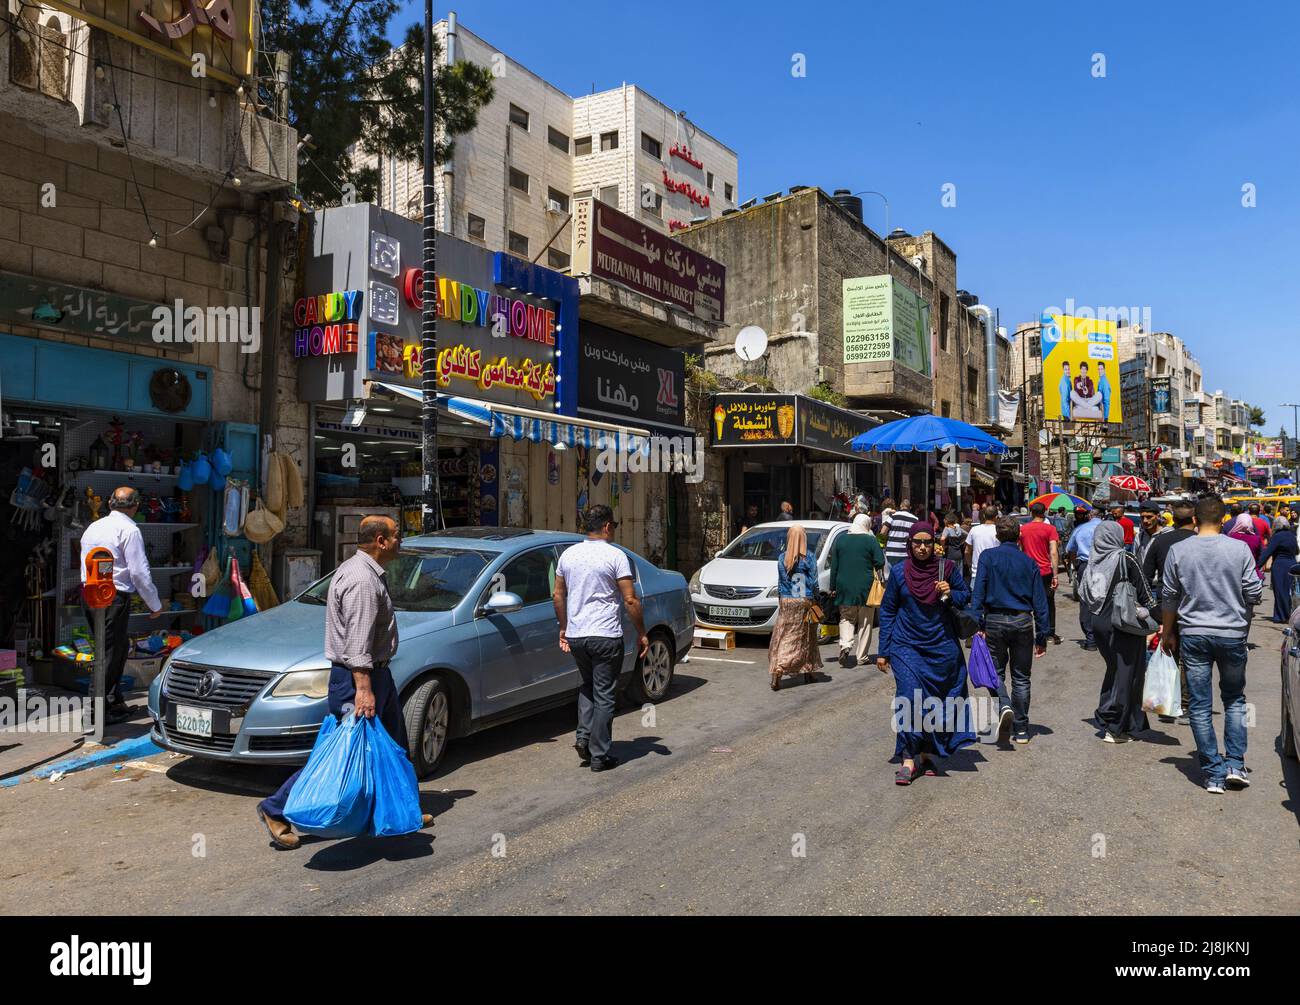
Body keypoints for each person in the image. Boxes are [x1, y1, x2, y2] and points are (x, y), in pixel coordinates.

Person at [257, 516, 433, 849]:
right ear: (381, 541)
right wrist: (363, 689)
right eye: (397, 536)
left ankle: (403, 811)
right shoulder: (362, 581)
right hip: (358, 679)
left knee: (394, 746)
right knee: (344, 749)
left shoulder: (364, 572)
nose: (401, 542)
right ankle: (275, 808)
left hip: (376, 675)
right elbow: (357, 642)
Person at [1161, 495, 1263, 793]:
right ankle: (1235, 764)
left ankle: (1213, 773)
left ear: (1194, 519)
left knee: (1200, 705)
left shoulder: (1179, 550)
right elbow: (1254, 592)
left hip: (1193, 635)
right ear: (1223, 521)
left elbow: (1169, 596)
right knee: (1234, 699)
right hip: (1232, 634)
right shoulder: (1240, 549)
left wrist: (1168, 632)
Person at [877, 524, 977, 783]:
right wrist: (883, 650)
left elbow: (966, 597)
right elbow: (887, 611)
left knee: (939, 702)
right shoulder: (899, 573)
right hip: (906, 646)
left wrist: (950, 592)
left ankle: (928, 753)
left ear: (935, 543)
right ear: (909, 544)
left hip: (942, 648)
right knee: (909, 698)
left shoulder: (948, 570)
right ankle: (908, 758)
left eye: (927, 542)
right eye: (917, 542)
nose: (922, 547)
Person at [554, 505, 648, 772]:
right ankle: (599, 755)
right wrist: (642, 633)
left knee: (588, 685)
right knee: (605, 693)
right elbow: (630, 599)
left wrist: (563, 627)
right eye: (614, 525)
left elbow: (558, 595)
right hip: (605, 635)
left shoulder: (568, 555)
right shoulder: (616, 556)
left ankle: (583, 738)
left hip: (577, 636)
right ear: (607, 526)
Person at [78, 487, 163, 724]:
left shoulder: (94, 527)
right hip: (111, 596)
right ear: (135, 506)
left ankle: (114, 700)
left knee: (117, 646)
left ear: (109, 503)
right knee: (109, 653)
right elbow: (139, 573)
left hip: (90, 593)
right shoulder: (129, 530)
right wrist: (154, 604)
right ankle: (96, 712)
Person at [969, 517, 1051, 743]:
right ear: (1019, 536)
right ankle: (1022, 729)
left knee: (994, 672)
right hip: (1023, 621)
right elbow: (1040, 602)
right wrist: (1042, 635)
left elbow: (978, 592)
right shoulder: (1028, 562)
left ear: (997, 536)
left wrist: (977, 623)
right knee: (1022, 677)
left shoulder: (988, 557)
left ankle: (1004, 704)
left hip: (994, 620)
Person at [1081, 522, 1157, 743]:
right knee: (1127, 675)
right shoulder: (1126, 558)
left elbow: (1084, 594)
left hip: (1099, 624)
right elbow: (1145, 593)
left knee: (1115, 671)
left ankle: (1123, 722)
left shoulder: (1092, 562)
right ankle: (1114, 726)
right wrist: (1161, 620)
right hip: (1123, 624)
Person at [1143, 500, 1197, 722]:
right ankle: (1185, 704)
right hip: (1195, 607)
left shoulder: (1160, 541)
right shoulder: (1201, 541)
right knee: (1191, 657)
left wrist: (1153, 609)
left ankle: (1168, 702)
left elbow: (1145, 577)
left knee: (1169, 650)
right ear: (1194, 520)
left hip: (1167, 606)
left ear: (1172, 519)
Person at [769, 523, 822, 689]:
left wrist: (781, 600)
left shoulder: (781, 558)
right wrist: (817, 598)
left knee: (784, 635)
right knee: (807, 636)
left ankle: (778, 670)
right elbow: (813, 582)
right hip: (804, 600)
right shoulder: (810, 557)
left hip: (787, 600)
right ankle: (809, 671)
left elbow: (780, 581)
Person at [830, 513, 886, 668]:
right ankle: (862, 656)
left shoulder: (840, 540)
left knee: (846, 618)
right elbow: (880, 561)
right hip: (865, 587)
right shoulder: (870, 540)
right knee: (865, 622)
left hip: (844, 586)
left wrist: (832, 587)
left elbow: (834, 566)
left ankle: (846, 645)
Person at [1019, 501, 1062, 644]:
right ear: (1044, 513)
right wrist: (1055, 574)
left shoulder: (1023, 529)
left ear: (1031, 513)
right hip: (1045, 571)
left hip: (1027, 571)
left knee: (1026, 601)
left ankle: (1025, 633)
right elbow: (1054, 552)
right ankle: (1048, 633)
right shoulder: (1050, 529)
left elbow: (1019, 549)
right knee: (1048, 603)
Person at [1065, 508, 1102, 649]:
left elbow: (1071, 549)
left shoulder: (1081, 529)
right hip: (1106, 566)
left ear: (1089, 516)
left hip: (1085, 566)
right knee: (1104, 599)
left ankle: (1091, 638)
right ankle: (1103, 637)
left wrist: (1075, 566)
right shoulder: (1109, 528)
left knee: (1086, 600)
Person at [1258, 516, 1298, 623]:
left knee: (1280, 591)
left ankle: (1281, 616)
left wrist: (1257, 566)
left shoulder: (1277, 537)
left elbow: (1267, 552)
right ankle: (1288, 614)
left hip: (1280, 565)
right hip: (1292, 564)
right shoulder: (1292, 535)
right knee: (1289, 591)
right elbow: (1297, 551)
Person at [882, 498, 918, 578]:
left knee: (890, 578)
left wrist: (880, 546)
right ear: (910, 507)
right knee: (902, 578)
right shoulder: (915, 519)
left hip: (890, 553)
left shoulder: (893, 516)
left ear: (901, 506)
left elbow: (883, 531)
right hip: (905, 554)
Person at [965, 504, 999, 585]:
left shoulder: (974, 530)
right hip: (995, 574)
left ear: (983, 516)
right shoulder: (999, 531)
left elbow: (967, 552)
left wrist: (970, 566)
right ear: (997, 517)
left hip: (977, 574)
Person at [1135, 501, 1164, 566]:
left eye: (1149, 517)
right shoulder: (1139, 537)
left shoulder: (1167, 535)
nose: (1145, 521)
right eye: (1142, 517)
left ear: (1158, 516)